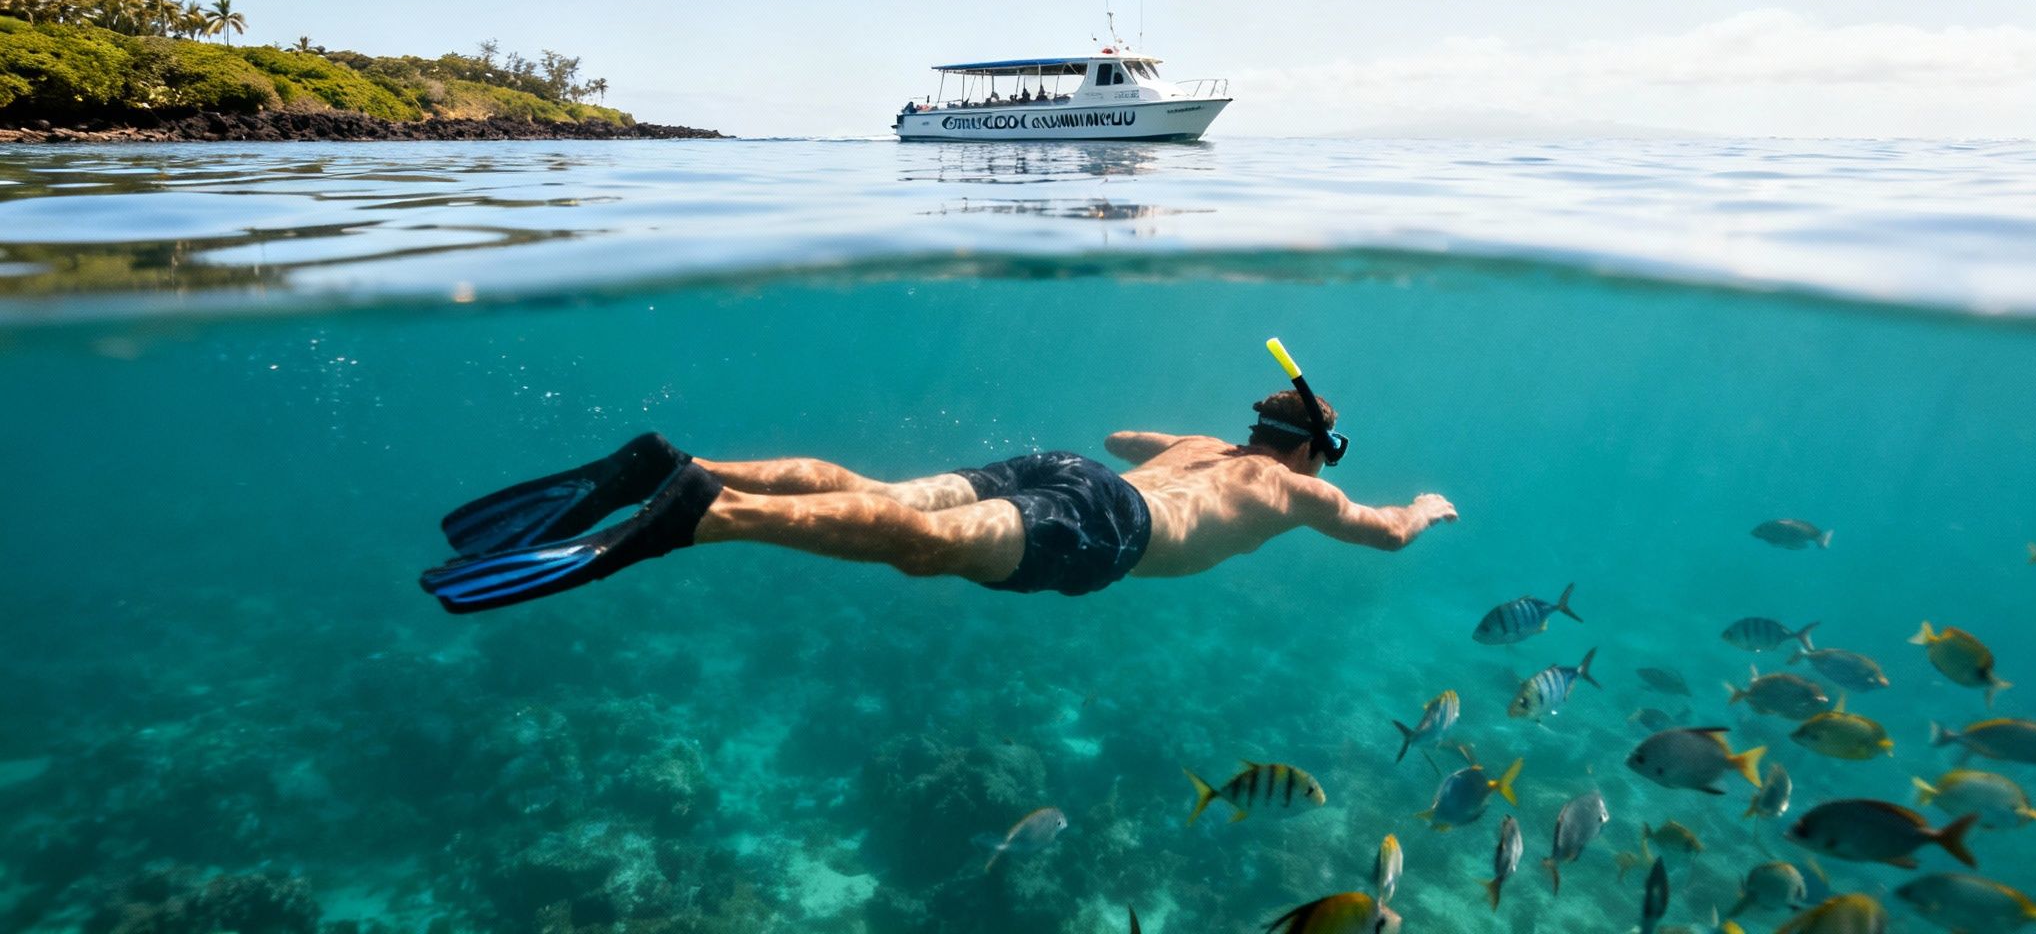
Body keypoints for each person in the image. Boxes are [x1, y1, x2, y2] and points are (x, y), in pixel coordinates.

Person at [419, 374, 1456, 613]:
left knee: (882, 494)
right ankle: (707, 514)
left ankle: (681, 465)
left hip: (1070, 470)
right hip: (1109, 525)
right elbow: (1386, 534)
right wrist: (1422, 507)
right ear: (1314, 451)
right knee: (915, 543)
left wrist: (1185, 443)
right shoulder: (1302, 495)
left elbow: (1117, 437)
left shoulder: (1192, 441)